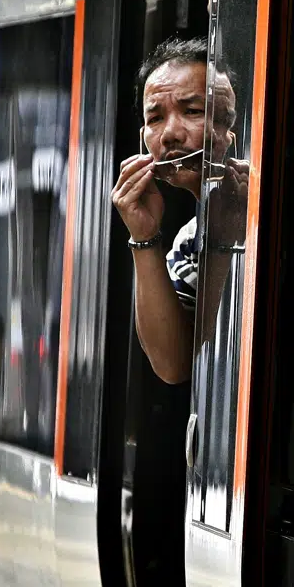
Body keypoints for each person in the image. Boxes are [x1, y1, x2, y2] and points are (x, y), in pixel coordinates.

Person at [111, 37, 250, 384]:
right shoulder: (190, 240)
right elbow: (173, 365)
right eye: (156, 118)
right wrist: (143, 236)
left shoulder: (272, 208)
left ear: (230, 129)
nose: (170, 134)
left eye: (192, 111)